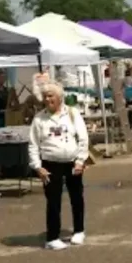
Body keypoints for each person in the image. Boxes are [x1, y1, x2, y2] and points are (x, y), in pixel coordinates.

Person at [28, 81, 90, 250]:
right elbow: (33, 144)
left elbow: (83, 138)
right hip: (50, 163)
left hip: (72, 162)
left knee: (76, 197)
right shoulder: (39, 118)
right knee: (53, 200)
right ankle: (52, 237)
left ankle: (79, 230)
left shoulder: (72, 113)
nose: (48, 100)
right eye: (45, 97)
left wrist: (80, 160)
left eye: (51, 96)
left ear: (60, 97)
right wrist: (37, 166)